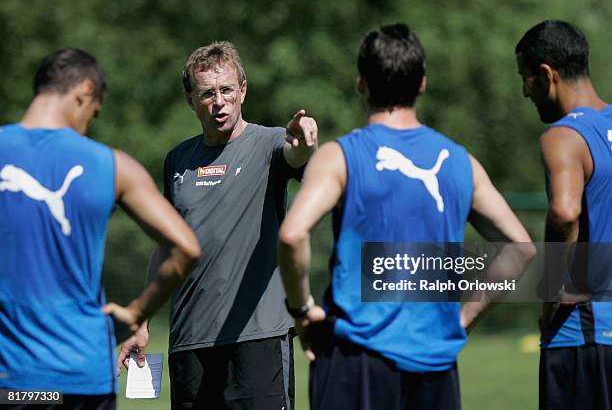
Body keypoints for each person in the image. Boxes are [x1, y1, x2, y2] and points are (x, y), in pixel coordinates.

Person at [278, 23, 535, 410]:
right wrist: (462, 319)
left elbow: (292, 235)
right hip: (436, 368)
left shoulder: (341, 156)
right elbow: (521, 248)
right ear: (422, 84)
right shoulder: (461, 163)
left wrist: (302, 310)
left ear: (361, 83)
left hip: (356, 359)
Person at [118, 41, 318, 409]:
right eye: (207, 93)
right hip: (190, 341)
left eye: (226, 90)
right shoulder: (178, 160)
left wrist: (304, 143)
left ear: (242, 91)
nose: (218, 101)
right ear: (190, 100)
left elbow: (296, 155)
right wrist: (141, 320)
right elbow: (166, 244)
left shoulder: (271, 143)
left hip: (257, 337)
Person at [0, 48, 201, 408]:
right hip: (83, 376)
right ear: (84, 91)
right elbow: (186, 247)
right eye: (93, 113)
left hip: (10, 379)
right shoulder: (112, 165)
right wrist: (136, 313)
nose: (87, 126)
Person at [515, 20, 612, 410]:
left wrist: (550, 297)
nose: (525, 92)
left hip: (583, 337)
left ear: (546, 75)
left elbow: (564, 211)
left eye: (526, 80)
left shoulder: (564, 137)